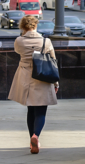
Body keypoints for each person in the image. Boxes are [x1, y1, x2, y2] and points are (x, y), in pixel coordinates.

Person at [8, 15, 59, 154]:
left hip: (25, 78)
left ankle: (31, 140)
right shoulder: (45, 41)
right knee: (41, 111)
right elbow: (53, 60)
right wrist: (56, 82)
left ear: (23, 27)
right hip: (42, 77)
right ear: (36, 25)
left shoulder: (19, 41)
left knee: (31, 110)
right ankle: (36, 135)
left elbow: (17, 52)